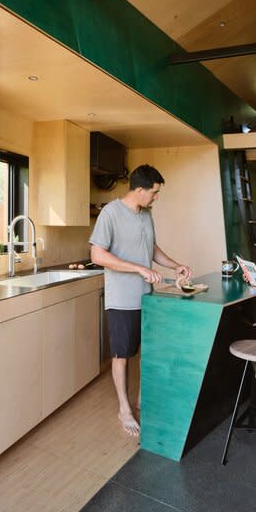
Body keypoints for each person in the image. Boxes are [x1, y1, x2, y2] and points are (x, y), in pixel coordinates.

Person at [90, 164, 191, 436]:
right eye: (154, 192)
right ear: (140, 189)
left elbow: (151, 248)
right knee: (121, 355)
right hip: (122, 299)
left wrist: (174, 265)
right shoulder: (111, 213)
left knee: (147, 350)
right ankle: (124, 408)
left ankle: (142, 400)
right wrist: (138, 268)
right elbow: (97, 255)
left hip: (147, 296)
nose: (156, 197)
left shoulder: (146, 214)